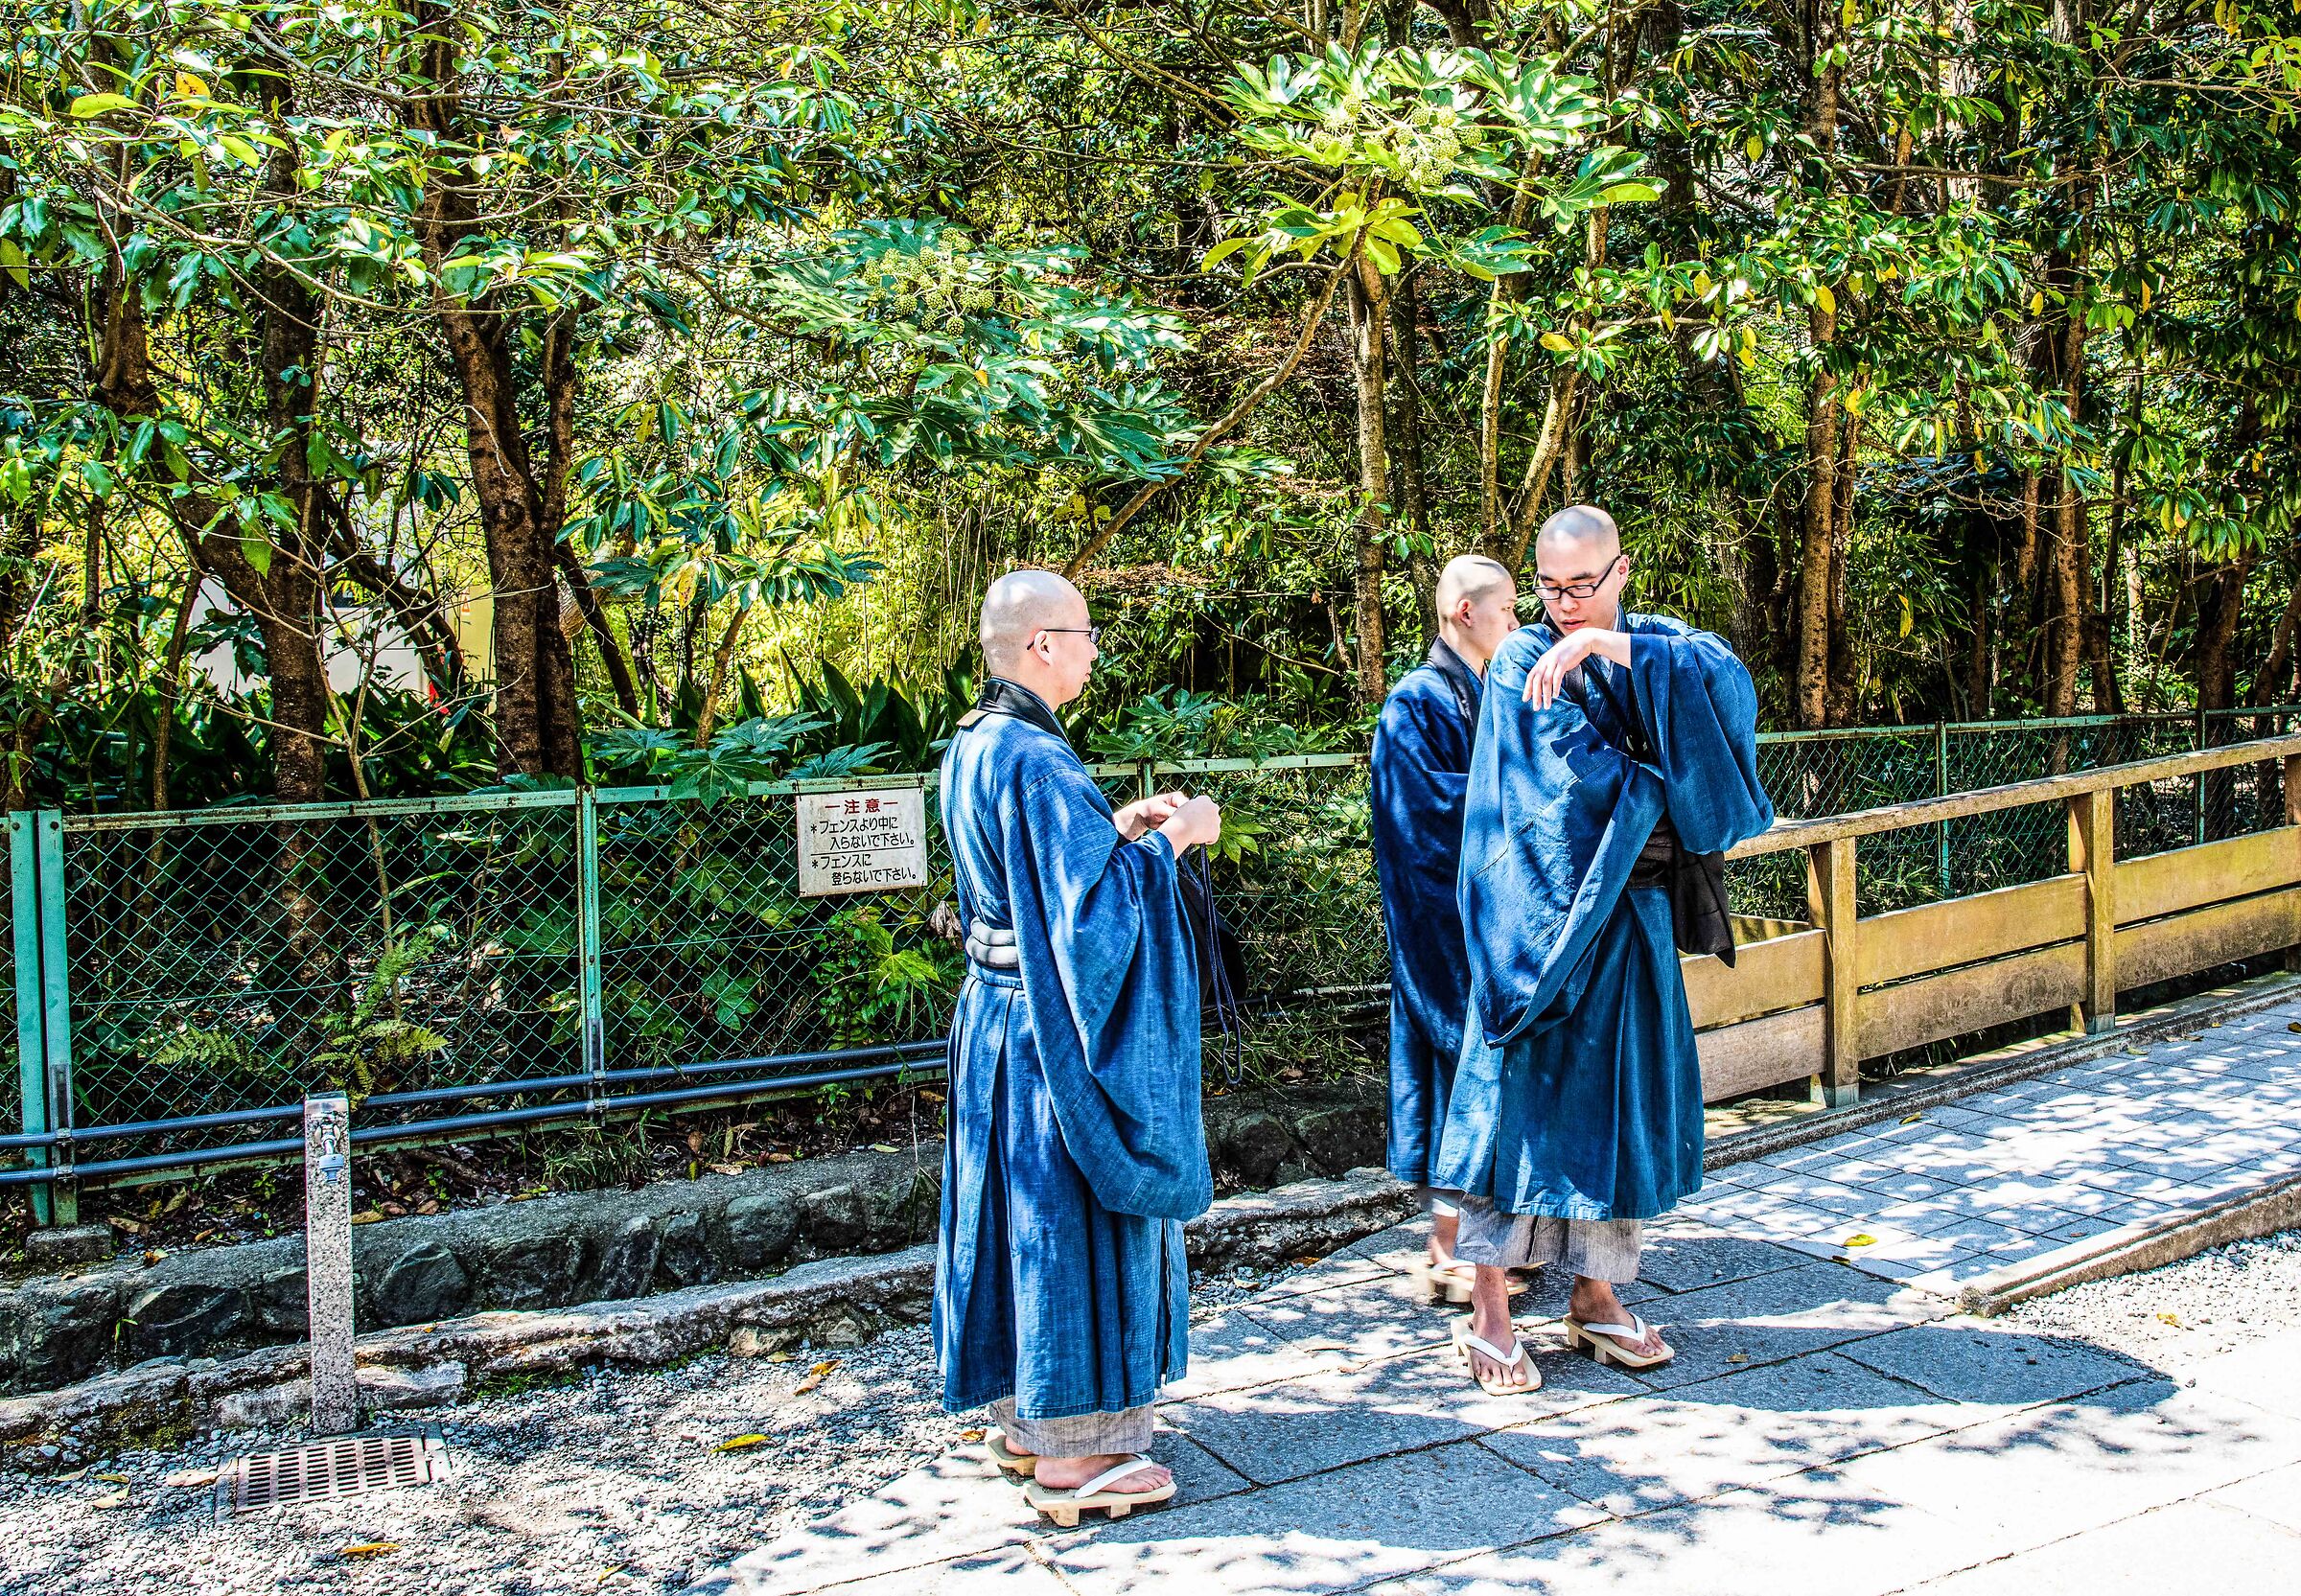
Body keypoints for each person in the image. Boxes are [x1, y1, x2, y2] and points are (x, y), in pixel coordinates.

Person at [1435, 506, 1773, 1380]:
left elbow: (1730, 693)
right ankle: (1491, 1307)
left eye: (1580, 587)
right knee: (1514, 1113)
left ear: (1620, 573)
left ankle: (1596, 1294)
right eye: (1547, 588)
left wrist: (1612, 651)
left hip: (1634, 928)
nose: (1561, 606)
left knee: (1623, 1109)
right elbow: (1559, 793)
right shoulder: (1517, 661)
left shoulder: (1655, 642)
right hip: (1541, 931)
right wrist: (1659, 789)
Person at [934, 568, 1224, 1526]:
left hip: (996, 1022)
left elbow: (1041, 876)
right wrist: (1176, 838)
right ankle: (1081, 1454)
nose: (1096, 648)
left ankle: (1026, 1424)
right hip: (1054, 1035)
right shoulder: (1043, 760)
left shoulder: (976, 745)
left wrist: (1115, 829)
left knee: (1019, 1221)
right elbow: (1091, 927)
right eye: (1085, 633)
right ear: (1042, 646)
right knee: (1073, 1224)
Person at [1369, 556, 1522, 1334]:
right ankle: (1447, 1239)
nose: (1518, 624)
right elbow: (1423, 825)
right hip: (1441, 922)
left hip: (1488, 920)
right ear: (1465, 611)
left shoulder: (1488, 688)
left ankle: (1477, 1235)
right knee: (1447, 1067)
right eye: (1509, 609)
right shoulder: (1415, 703)